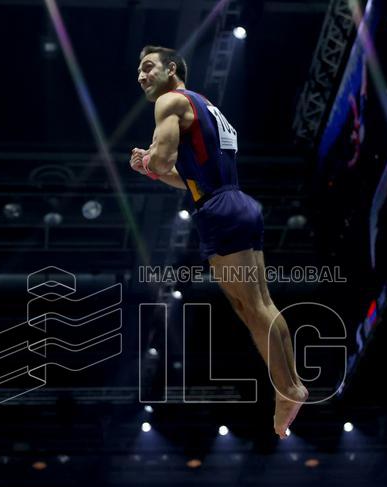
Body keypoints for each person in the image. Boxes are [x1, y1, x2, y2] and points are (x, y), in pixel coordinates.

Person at [128, 45, 307, 438]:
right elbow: (191, 179)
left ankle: (290, 386)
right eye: (138, 71)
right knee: (248, 308)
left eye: (147, 67)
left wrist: (149, 162)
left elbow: (162, 160)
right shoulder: (204, 105)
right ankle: (285, 385)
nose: (141, 76)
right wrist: (155, 169)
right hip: (226, 201)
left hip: (223, 208)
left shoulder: (170, 101)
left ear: (170, 68)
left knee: (258, 305)